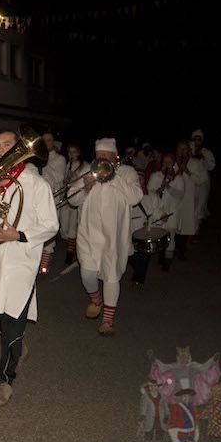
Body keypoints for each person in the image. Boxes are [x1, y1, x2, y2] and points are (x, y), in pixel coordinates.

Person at [0, 128, 59, 407]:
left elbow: (51, 225)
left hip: (20, 258)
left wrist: (19, 234)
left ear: (19, 149)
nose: (0, 150)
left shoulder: (36, 184)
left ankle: (4, 380)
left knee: (13, 315)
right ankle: (15, 342)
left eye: (7, 144)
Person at [67, 137, 142, 336]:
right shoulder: (87, 171)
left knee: (111, 275)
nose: (102, 159)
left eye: (106, 156)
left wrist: (113, 177)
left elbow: (135, 197)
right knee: (87, 273)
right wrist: (85, 187)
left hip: (114, 236)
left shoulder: (127, 172)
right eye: (99, 155)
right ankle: (95, 299)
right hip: (88, 233)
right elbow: (72, 200)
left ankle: (108, 319)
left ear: (115, 156)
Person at [169, 139, 206, 261]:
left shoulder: (196, 163)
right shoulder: (174, 163)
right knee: (174, 223)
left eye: (184, 149)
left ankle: (182, 250)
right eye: (179, 149)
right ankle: (173, 249)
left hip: (189, 198)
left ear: (189, 150)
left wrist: (187, 171)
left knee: (185, 224)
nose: (182, 152)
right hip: (175, 199)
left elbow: (201, 180)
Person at [149, 152, 185, 272]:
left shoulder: (178, 178)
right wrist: (158, 191)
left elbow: (180, 195)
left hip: (172, 211)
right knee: (159, 233)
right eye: (165, 162)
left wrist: (168, 186)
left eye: (169, 162)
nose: (167, 164)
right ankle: (161, 254)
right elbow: (149, 192)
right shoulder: (156, 176)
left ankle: (168, 260)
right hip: (159, 210)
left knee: (170, 235)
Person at [37, 131, 65, 274]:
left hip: (52, 199)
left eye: (48, 140)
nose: (45, 143)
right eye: (43, 140)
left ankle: (44, 263)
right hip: (37, 199)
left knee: (49, 230)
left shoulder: (60, 159)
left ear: (53, 143)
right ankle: (37, 260)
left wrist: (45, 164)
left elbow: (59, 178)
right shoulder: (36, 158)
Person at [57, 142, 89, 265]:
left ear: (78, 153)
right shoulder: (67, 165)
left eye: (74, 152)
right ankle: (71, 247)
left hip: (76, 198)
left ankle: (69, 253)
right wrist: (66, 179)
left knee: (72, 227)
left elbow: (83, 183)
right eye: (69, 152)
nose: (71, 155)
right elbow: (64, 181)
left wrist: (74, 176)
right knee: (64, 227)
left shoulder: (84, 166)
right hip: (66, 198)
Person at [189, 129, 216, 227]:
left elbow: (211, 166)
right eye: (195, 139)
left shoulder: (206, 152)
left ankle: (197, 228)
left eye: (199, 139)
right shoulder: (188, 150)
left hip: (203, 181)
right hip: (191, 180)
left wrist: (202, 156)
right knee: (191, 202)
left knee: (201, 203)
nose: (197, 141)